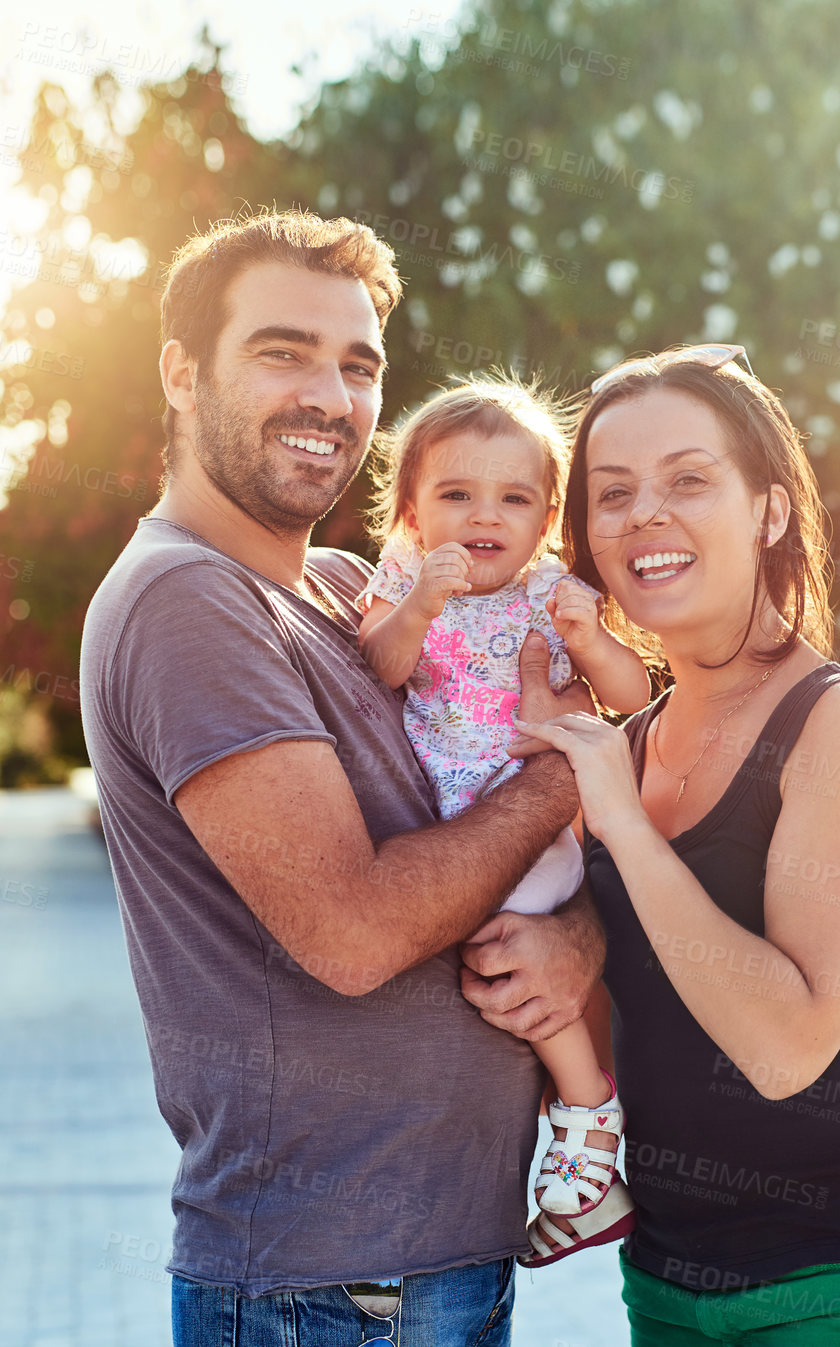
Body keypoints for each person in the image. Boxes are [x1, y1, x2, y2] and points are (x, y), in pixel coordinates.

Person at [78, 210, 604, 1347]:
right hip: (330, 1289)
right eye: (282, 351)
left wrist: (577, 939)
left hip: (423, 1264)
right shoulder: (188, 601)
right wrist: (567, 774)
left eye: (356, 365)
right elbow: (356, 931)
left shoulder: (337, 587)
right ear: (180, 372)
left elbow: (482, 835)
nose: (330, 397)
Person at [461, 344, 840, 1342]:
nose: (643, 516)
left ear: (770, 510)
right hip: (667, 1290)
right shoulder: (618, 746)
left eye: (688, 480)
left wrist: (621, 823)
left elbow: (786, 1047)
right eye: (611, 492)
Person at [356, 375, 651, 1260]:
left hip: (525, 833)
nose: (485, 516)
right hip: (452, 822)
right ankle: (566, 1145)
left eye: (514, 498)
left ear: (547, 515)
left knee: (492, 944)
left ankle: (587, 1106)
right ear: (411, 509)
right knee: (473, 972)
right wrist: (418, 605)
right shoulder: (402, 579)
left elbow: (636, 700)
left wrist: (592, 639)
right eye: (455, 494)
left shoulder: (551, 593)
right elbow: (380, 665)